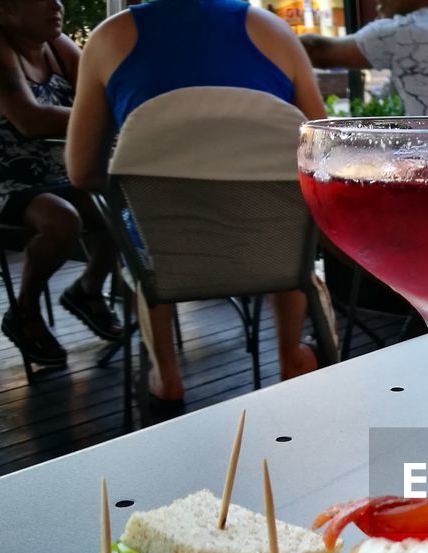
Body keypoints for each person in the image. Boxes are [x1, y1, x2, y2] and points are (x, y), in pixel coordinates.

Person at [66, 0, 324, 415]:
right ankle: (292, 357)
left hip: (168, 253)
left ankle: (165, 377)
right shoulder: (274, 33)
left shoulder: (108, 39)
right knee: (285, 217)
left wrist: (150, 176)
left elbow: (80, 171)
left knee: (145, 221)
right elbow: (321, 149)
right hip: (275, 250)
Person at [0, 0, 121, 369]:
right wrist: (109, 117)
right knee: (62, 220)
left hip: (50, 177)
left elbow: (105, 97)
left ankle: (86, 290)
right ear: (5, 5)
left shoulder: (57, 45)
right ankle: (24, 313)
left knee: (121, 204)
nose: (57, 4)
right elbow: (30, 119)